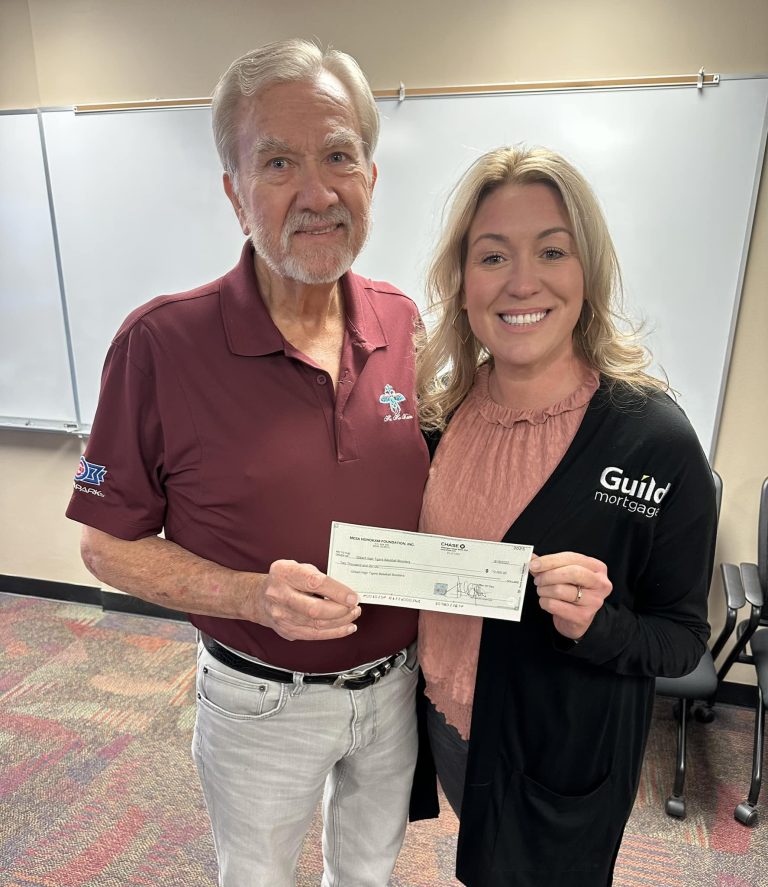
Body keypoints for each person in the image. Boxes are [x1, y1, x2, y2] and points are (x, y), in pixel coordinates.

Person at [66, 39, 429, 887]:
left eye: (339, 154)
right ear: (235, 194)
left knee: (369, 873)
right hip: (260, 697)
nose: (317, 191)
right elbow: (103, 544)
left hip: (393, 689)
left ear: (371, 178)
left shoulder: (407, 322)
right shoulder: (158, 343)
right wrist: (245, 593)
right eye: (277, 163)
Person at [411, 145, 717, 886]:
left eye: (552, 250)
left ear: (589, 271)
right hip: (449, 726)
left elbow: (682, 643)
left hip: (564, 758)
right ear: (462, 280)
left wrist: (601, 623)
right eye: (492, 256)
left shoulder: (653, 438)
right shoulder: (439, 416)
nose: (523, 281)